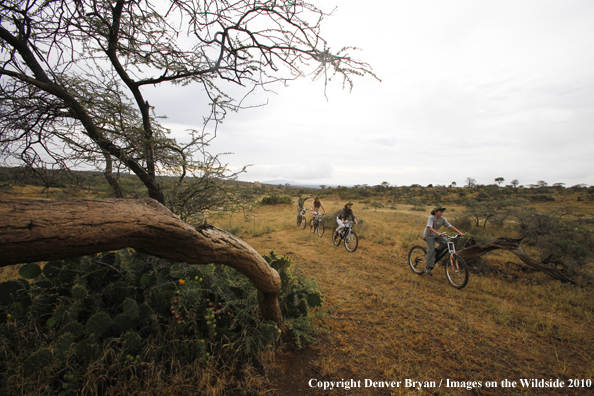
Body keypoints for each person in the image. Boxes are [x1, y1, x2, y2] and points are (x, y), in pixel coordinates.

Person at [424, 205, 464, 276]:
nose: (441, 213)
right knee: (431, 250)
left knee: (447, 243)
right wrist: (438, 233)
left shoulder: (442, 219)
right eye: (440, 212)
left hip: (436, 235)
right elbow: (429, 227)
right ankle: (428, 267)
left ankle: (437, 253)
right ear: (435, 212)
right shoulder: (431, 218)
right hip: (429, 236)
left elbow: (450, 226)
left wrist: (459, 232)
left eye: (442, 212)